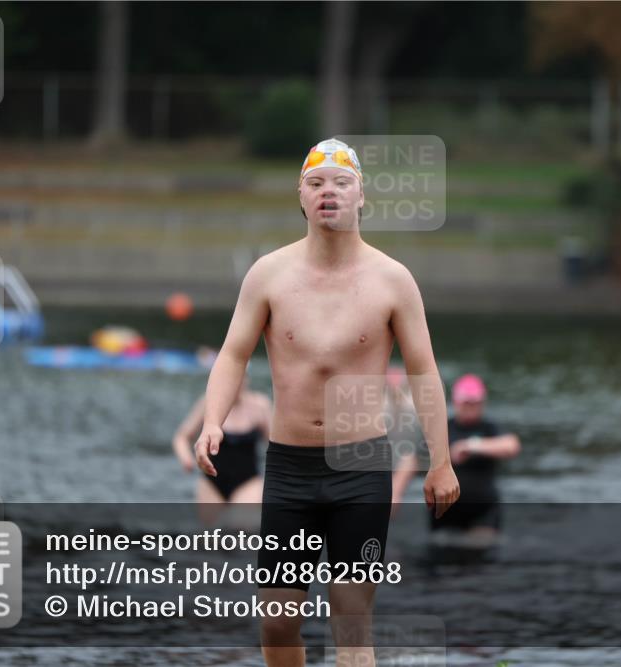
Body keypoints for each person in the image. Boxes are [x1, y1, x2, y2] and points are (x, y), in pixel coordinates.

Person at [192, 138, 460, 667]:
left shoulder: (393, 280)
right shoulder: (269, 275)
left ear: (362, 196)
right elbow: (232, 355)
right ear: (301, 196)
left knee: (351, 616)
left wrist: (442, 461)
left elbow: (423, 370)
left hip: (360, 465)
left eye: (341, 183)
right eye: (316, 184)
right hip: (290, 466)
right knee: (276, 620)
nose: (328, 193)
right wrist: (211, 423)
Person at [392, 373, 520, 544]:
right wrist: (395, 493)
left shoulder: (489, 428)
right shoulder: (444, 429)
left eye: (475, 403)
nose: (471, 407)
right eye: (467, 403)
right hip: (444, 512)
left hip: (482, 512)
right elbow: (414, 458)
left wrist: (472, 446)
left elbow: (511, 446)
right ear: (457, 402)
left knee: (480, 551)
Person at [172, 372, 271, 525]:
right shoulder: (209, 404)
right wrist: (186, 459)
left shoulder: (260, 406)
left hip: (249, 481)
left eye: (240, 379)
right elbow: (181, 437)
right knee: (211, 538)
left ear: (246, 380)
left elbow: (274, 444)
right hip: (212, 482)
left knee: (243, 530)